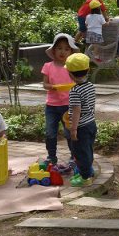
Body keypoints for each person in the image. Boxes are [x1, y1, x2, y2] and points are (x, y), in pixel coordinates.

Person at [41, 33, 79, 168]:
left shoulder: (71, 68)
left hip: (68, 105)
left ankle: (74, 157)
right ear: (53, 50)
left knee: (69, 132)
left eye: (66, 49)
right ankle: (51, 157)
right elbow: (45, 84)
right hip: (51, 106)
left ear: (71, 52)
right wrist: (52, 87)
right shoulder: (48, 66)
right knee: (50, 132)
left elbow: (78, 82)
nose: (63, 52)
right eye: (59, 48)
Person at [64, 53, 98, 186]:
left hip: (81, 127)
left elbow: (76, 110)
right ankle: (89, 171)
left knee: (80, 152)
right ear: (88, 70)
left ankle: (85, 178)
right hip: (91, 124)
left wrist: (73, 130)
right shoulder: (90, 86)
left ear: (70, 74)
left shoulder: (75, 91)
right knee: (88, 149)